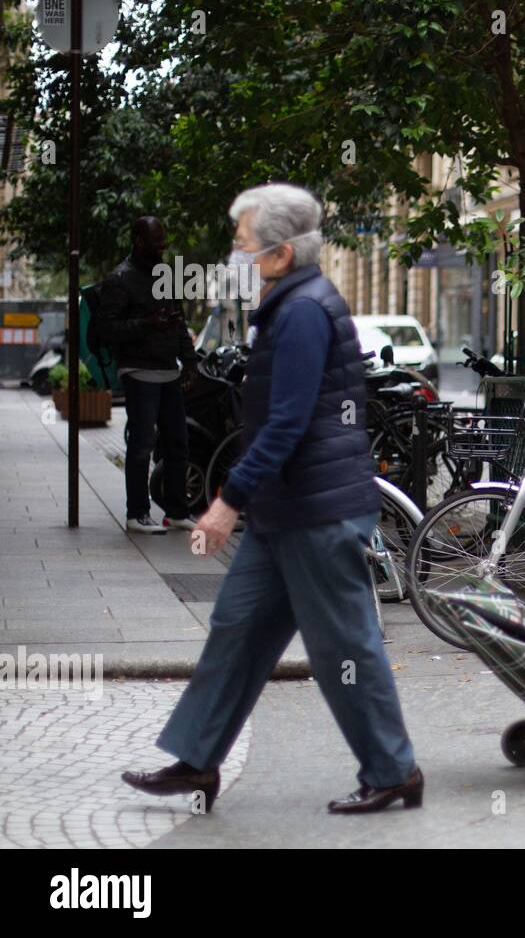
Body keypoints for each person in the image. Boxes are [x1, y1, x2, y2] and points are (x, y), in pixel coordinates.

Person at [122, 184, 422, 813]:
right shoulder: (288, 303)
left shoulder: (305, 312)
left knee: (344, 647)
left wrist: (226, 502)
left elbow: (286, 423)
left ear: (281, 254)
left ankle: (394, 771)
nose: (236, 253)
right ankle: (197, 762)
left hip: (317, 511)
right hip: (285, 512)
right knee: (236, 629)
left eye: (244, 244)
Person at [98, 216, 201, 534]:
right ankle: (137, 513)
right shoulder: (119, 279)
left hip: (169, 370)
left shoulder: (166, 275)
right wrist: (148, 323)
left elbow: (179, 321)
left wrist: (190, 360)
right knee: (142, 444)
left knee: (178, 444)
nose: (163, 245)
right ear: (138, 241)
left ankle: (176, 511)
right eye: (157, 240)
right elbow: (108, 330)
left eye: (164, 238)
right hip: (139, 370)